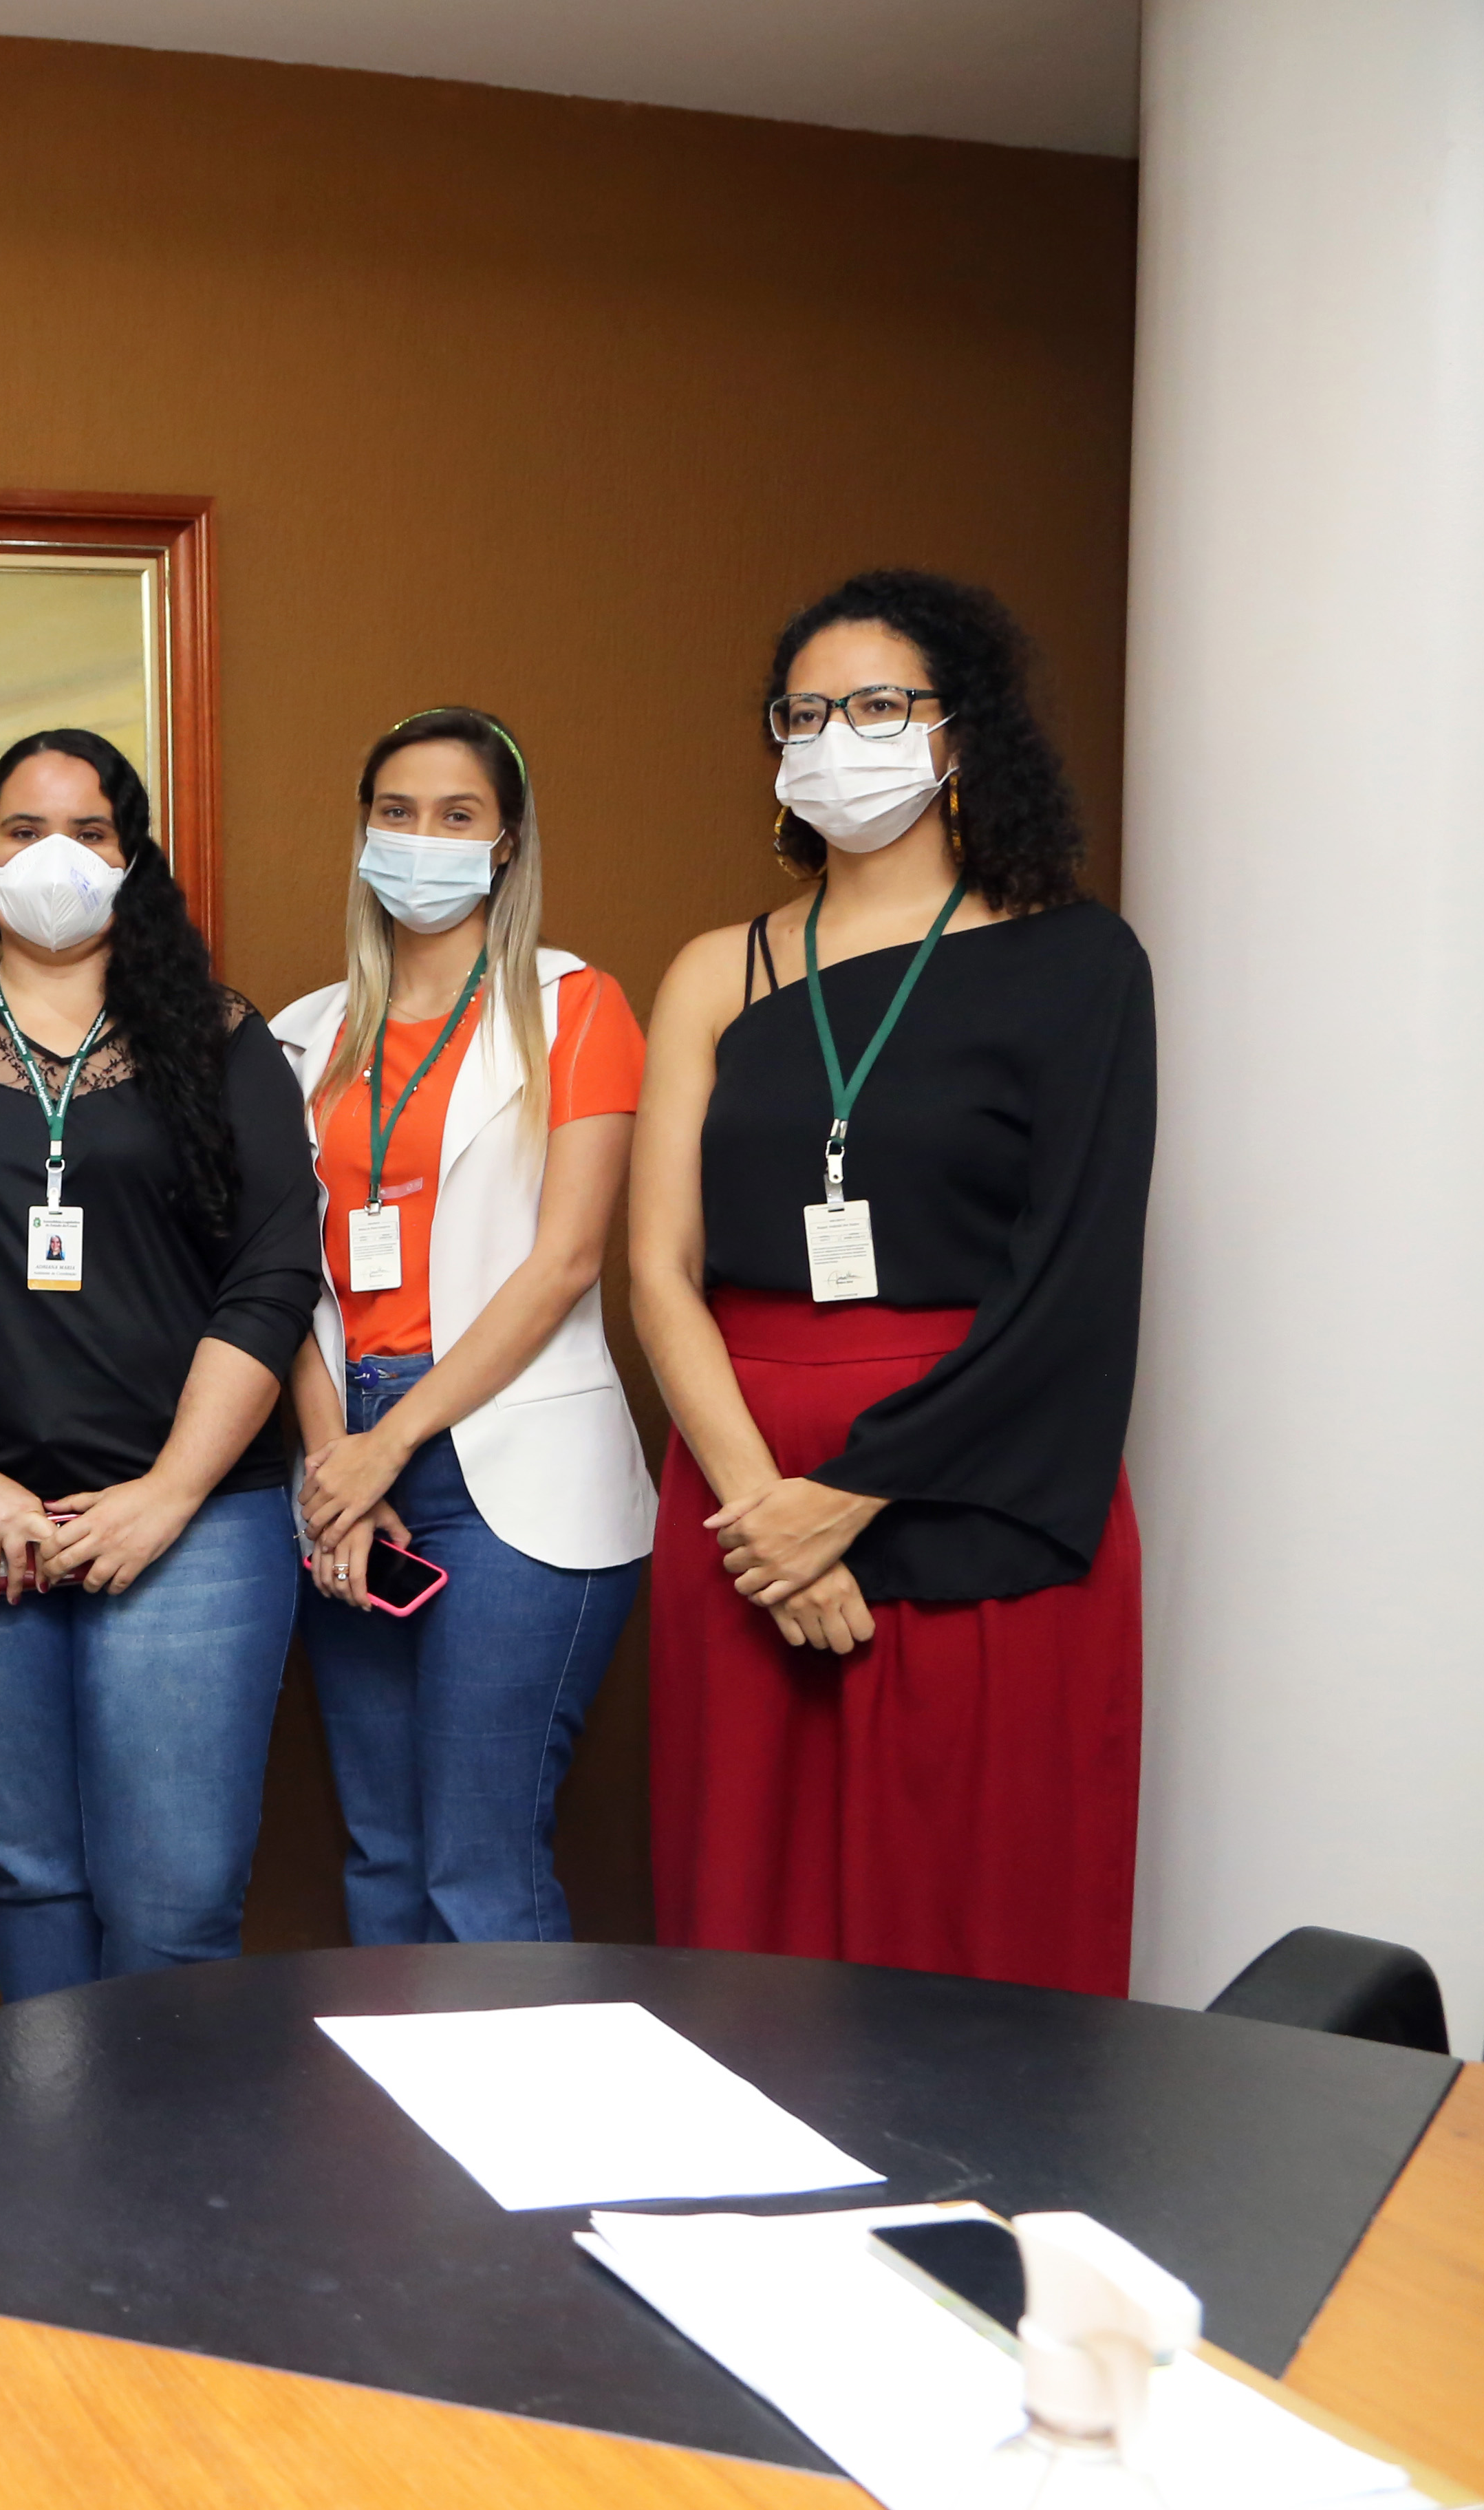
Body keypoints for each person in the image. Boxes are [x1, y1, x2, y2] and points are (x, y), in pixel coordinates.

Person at [630, 570, 1153, 1996]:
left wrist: (850, 1497)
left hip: (980, 1477)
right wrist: (762, 1514)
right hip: (742, 1488)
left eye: (875, 706)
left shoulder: (1077, 961)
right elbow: (660, 1270)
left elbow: (1075, 1279)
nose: (834, 739)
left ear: (959, 730)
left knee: (976, 1927)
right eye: (804, 715)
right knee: (751, 1936)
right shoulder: (716, 969)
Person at [0, 729, 322, 1997]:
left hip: (193, 1525)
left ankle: (166, 2139)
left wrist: (169, 1493)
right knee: (35, 1877)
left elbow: (273, 1274)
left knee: (177, 1900)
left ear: (133, 860)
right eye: (24, 831)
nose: (53, 856)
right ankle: (50, 2131)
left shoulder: (220, 1039)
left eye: (89, 831)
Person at [271, 711, 656, 1947]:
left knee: (477, 1868)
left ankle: (522, 2092)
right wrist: (334, 1464)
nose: (422, 839)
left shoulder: (574, 1005)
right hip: (345, 1445)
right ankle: (395, 2091)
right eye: (397, 813)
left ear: (507, 843)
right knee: (383, 1857)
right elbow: (280, 1278)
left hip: (512, 1459)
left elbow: (566, 1262)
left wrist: (390, 1446)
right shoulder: (299, 1036)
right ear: (363, 832)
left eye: (457, 816)